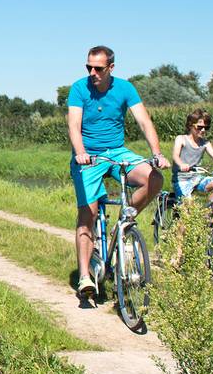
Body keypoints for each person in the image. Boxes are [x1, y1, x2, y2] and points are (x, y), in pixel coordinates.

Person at [67, 45, 170, 300]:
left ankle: (125, 220)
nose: (92, 72)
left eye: (98, 68)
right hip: (89, 155)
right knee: (87, 213)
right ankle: (84, 278)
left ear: (111, 68)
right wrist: (80, 152)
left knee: (154, 178)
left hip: (117, 152)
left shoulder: (125, 88)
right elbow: (74, 126)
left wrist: (156, 153)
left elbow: (144, 122)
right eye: (88, 67)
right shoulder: (79, 89)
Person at [172, 108, 213, 203]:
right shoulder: (181, 139)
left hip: (197, 178)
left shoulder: (205, 143)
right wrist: (181, 164)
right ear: (190, 125)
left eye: (206, 128)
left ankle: (209, 214)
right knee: (189, 213)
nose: (203, 130)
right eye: (199, 127)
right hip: (182, 180)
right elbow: (175, 156)